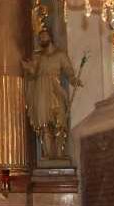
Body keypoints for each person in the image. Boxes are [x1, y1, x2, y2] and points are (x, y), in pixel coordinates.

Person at [22, 29, 82, 160]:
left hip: (55, 88)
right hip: (41, 91)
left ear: (50, 37)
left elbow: (68, 71)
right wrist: (27, 67)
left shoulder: (60, 55)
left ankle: (60, 155)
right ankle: (48, 154)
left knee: (60, 122)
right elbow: (33, 72)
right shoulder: (38, 56)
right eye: (40, 38)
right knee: (44, 125)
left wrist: (73, 80)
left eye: (44, 36)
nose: (42, 39)